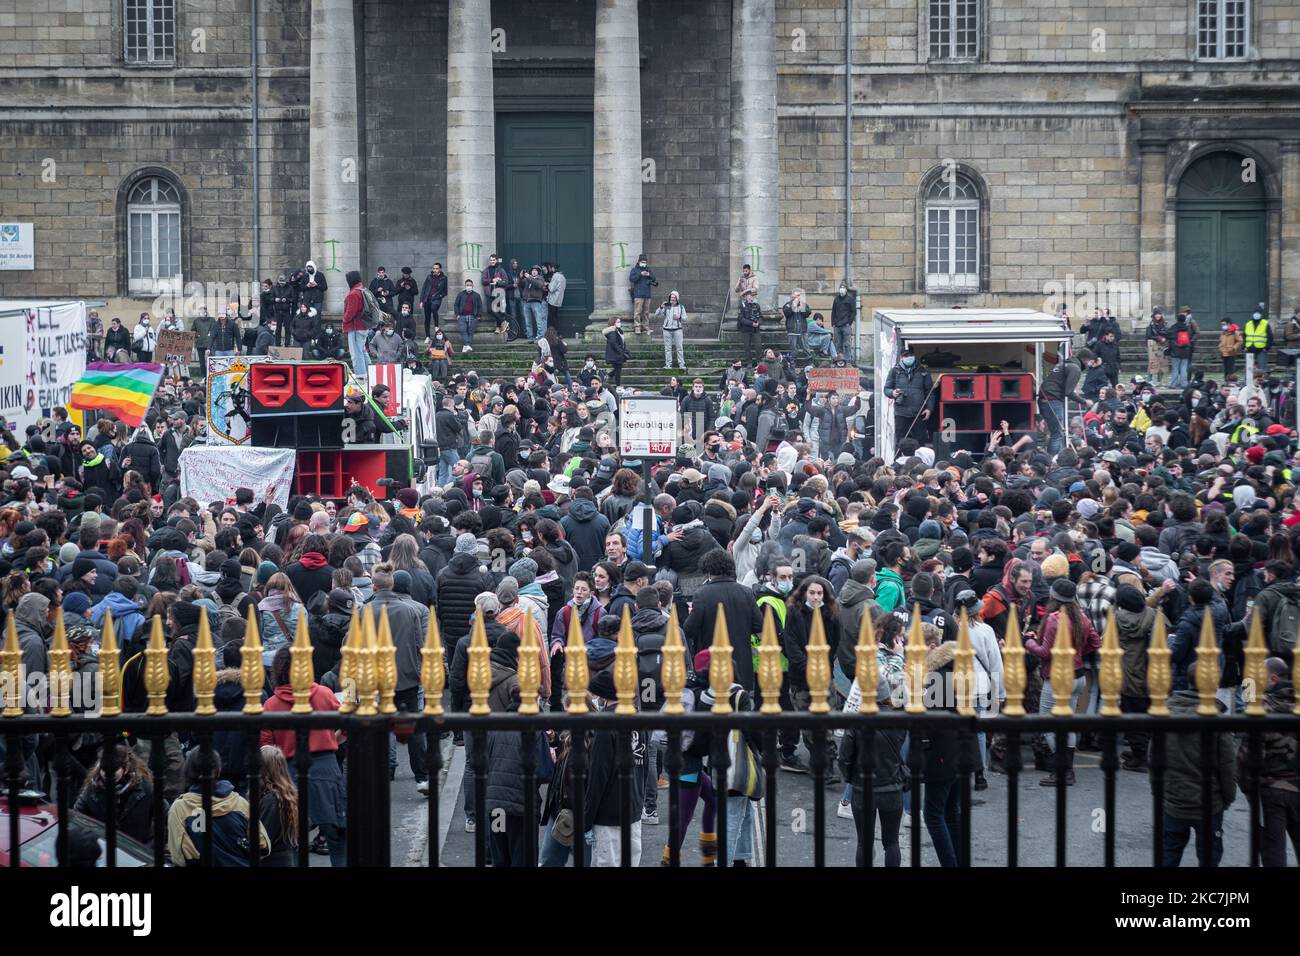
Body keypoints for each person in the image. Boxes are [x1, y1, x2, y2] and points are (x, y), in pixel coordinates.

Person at [259, 647, 347, 866]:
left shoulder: (270, 705)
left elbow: (265, 748)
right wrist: (331, 741)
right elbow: (348, 725)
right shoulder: (324, 694)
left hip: (288, 773)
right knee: (337, 837)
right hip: (326, 768)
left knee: (294, 840)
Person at [166, 750, 270, 866]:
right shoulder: (239, 803)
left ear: (188, 771)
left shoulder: (180, 808)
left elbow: (179, 856)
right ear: (218, 770)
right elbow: (263, 846)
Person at [884, 345, 933, 446]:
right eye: (906, 356)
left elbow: (930, 392)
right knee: (901, 441)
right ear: (901, 357)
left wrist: (929, 408)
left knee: (920, 441)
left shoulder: (923, 371)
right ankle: (899, 460)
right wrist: (893, 393)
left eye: (910, 355)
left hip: (919, 413)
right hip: (901, 413)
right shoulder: (894, 371)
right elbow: (886, 389)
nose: (909, 357)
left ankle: (919, 460)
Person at [341, 269, 369, 379]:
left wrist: (344, 320)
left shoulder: (353, 293)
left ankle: (361, 376)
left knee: (356, 354)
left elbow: (350, 313)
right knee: (362, 351)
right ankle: (370, 372)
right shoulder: (363, 289)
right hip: (364, 325)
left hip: (355, 326)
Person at [655, 291, 687, 369]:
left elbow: (685, 318)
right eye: (671, 297)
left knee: (679, 347)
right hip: (667, 329)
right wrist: (661, 307)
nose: (672, 299)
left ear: (677, 298)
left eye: (674, 297)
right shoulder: (667, 305)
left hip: (677, 329)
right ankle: (668, 364)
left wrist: (679, 317)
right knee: (667, 348)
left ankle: (681, 364)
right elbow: (656, 314)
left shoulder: (681, 307)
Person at [628, 254, 657, 335]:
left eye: (645, 262)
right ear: (639, 262)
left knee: (646, 312)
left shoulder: (648, 270)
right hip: (638, 294)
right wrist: (640, 274)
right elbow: (632, 279)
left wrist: (649, 275)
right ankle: (637, 327)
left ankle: (646, 326)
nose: (644, 263)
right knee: (637, 311)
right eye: (642, 262)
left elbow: (654, 279)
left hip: (647, 294)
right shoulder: (634, 270)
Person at [453, 276, 483, 353]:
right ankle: (467, 345)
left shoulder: (476, 295)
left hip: (473, 316)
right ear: (465, 285)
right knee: (463, 331)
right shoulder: (460, 294)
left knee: (471, 332)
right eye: (467, 285)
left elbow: (480, 306)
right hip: (462, 316)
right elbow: (456, 304)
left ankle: (465, 346)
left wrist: (479, 315)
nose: (469, 286)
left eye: (470, 285)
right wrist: (457, 315)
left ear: (472, 286)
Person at [420, 262, 448, 338]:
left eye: (437, 268)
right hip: (427, 299)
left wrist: (440, 296)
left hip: (436, 299)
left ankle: (436, 326)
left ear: (440, 269)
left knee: (434, 308)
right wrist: (421, 301)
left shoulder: (444, 278)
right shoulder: (429, 277)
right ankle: (427, 337)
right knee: (427, 318)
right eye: (434, 268)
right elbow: (424, 289)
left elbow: (445, 291)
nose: (435, 270)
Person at [737, 288, 762, 367]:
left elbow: (761, 316)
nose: (752, 297)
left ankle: (758, 361)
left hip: (755, 329)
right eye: (750, 296)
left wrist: (758, 322)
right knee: (747, 346)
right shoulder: (742, 306)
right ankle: (749, 362)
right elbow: (741, 319)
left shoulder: (756, 305)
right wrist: (751, 323)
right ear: (747, 297)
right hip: (746, 330)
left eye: (753, 296)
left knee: (758, 345)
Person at [603, 315, 630, 388]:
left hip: (617, 354)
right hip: (615, 354)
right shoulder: (612, 332)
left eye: (619, 322)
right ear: (613, 323)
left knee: (618, 369)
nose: (619, 323)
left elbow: (620, 342)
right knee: (618, 370)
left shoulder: (617, 331)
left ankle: (609, 376)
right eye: (618, 322)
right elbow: (613, 343)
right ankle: (618, 385)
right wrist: (620, 351)